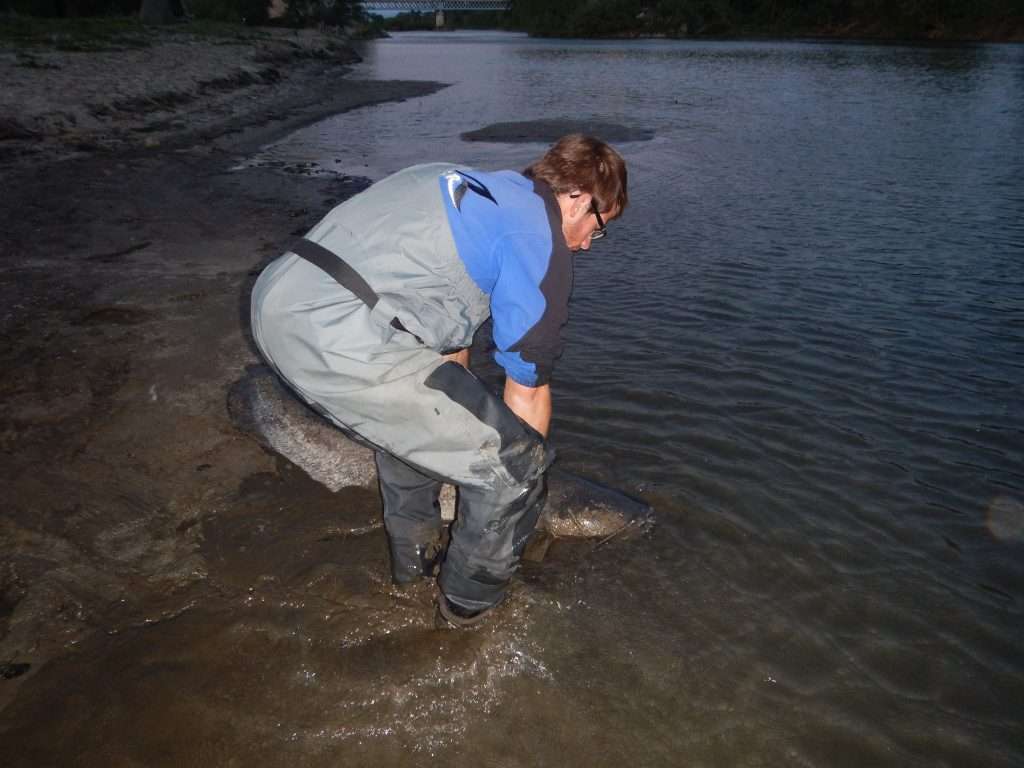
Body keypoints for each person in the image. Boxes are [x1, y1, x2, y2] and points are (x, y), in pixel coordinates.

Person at [250, 134, 628, 627]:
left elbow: (445, 346)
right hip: (332, 331)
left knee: (421, 425)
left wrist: (456, 428)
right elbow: (528, 393)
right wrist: (518, 483)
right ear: (577, 197)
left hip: (278, 297)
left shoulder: (464, 184)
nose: (585, 246)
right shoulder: (538, 240)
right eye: (597, 230)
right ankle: (463, 619)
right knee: (516, 468)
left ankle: (414, 573)